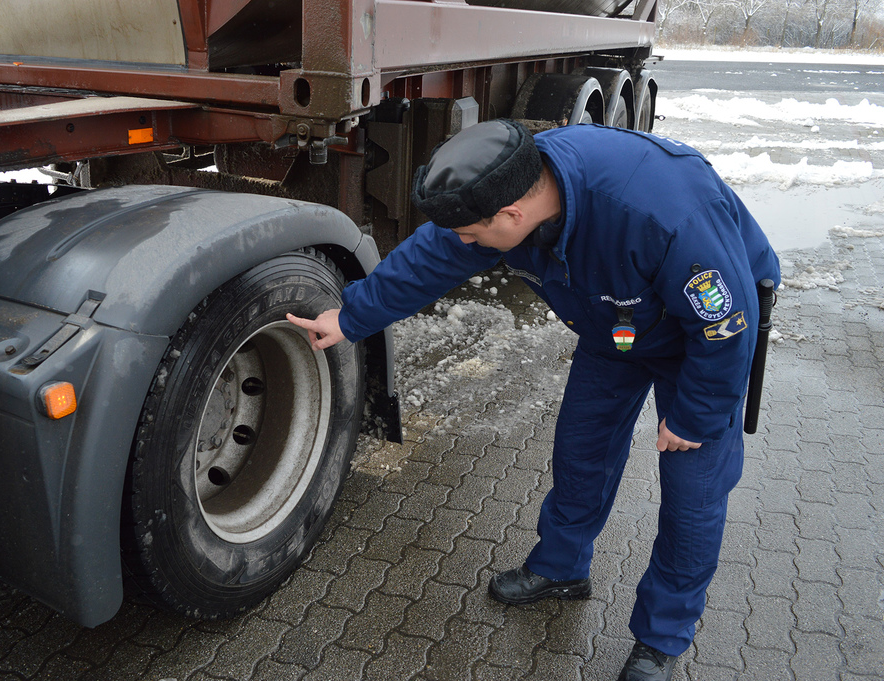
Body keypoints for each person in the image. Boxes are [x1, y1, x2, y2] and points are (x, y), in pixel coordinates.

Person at [287, 119, 780, 681]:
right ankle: (562, 568)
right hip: (613, 328)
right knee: (580, 452)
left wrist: (694, 414)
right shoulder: (505, 188)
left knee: (693, 496)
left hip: (702, 344)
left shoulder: (662, 216)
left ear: (513, 218)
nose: (466, 245)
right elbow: (431, 257)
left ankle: (660, 639)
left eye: (474, 235)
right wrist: (351, 316)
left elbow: (725, 328)